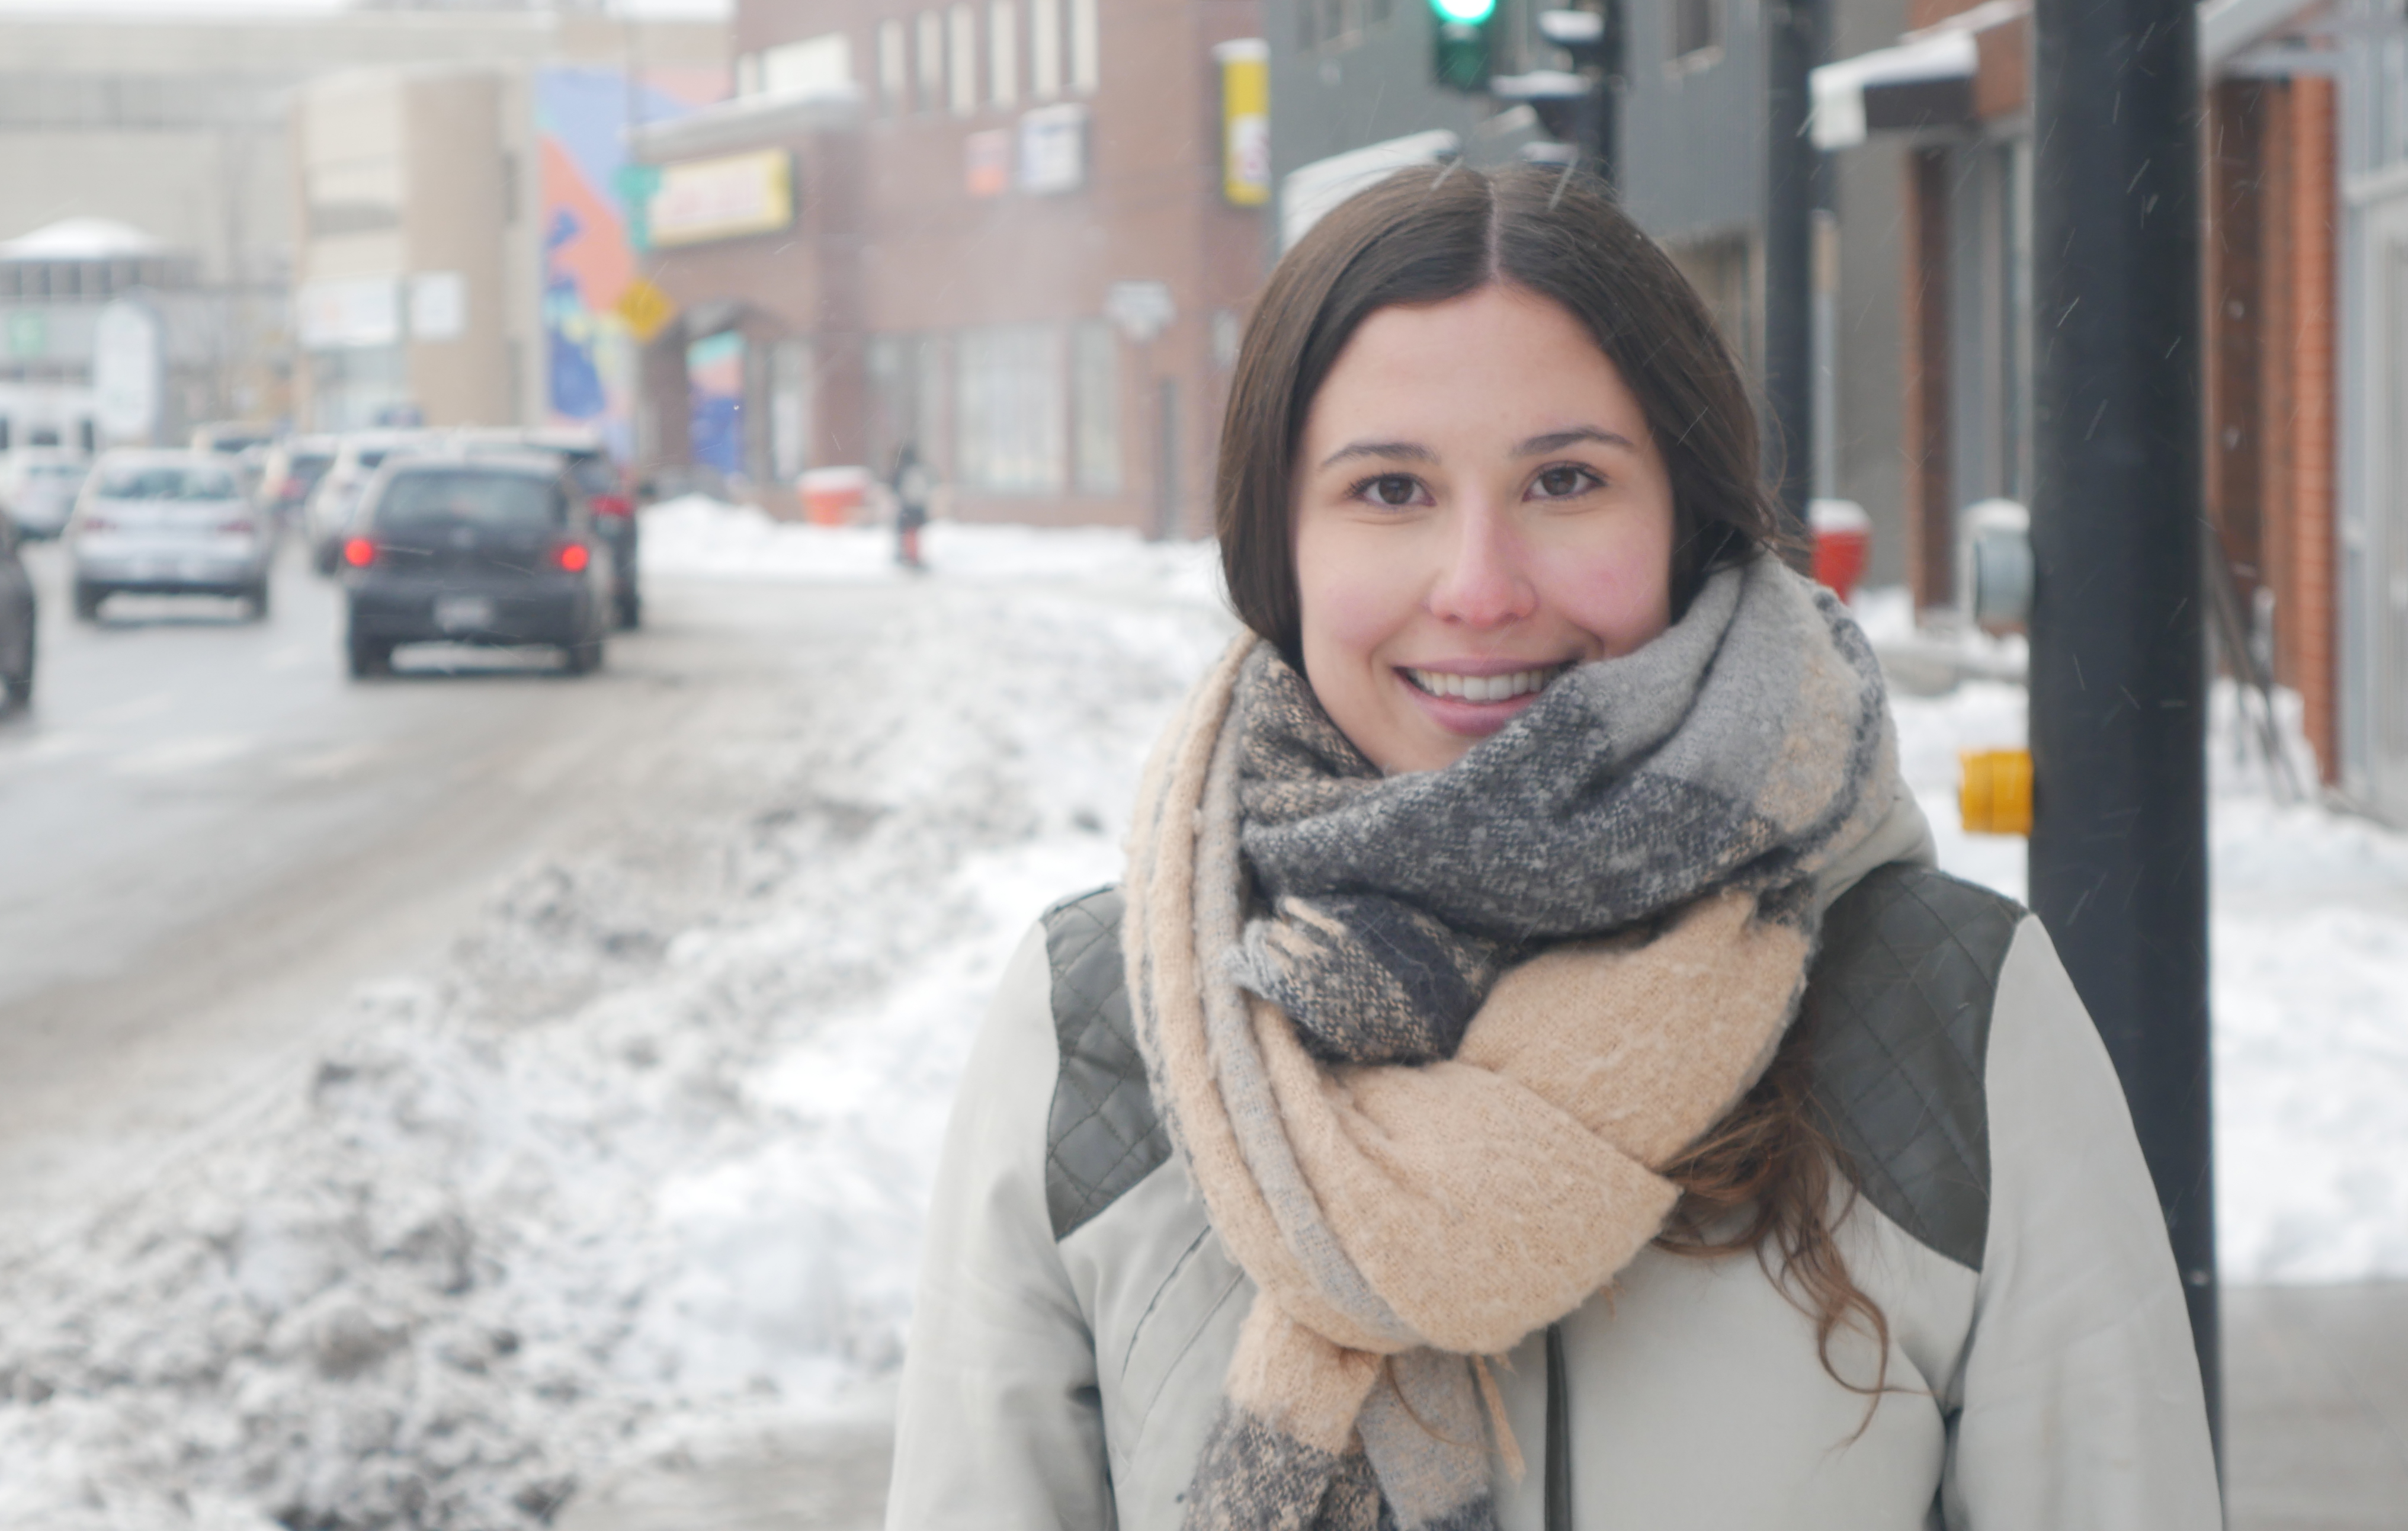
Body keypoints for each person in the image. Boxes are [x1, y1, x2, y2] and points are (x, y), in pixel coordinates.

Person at [887, 164, 2218, 1531]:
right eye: (1390, 488)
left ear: (1686, 520)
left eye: (1565, 479)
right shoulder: (1099, 1032)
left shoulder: (1945, 1015)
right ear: (1278, 541)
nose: (1479, 586)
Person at [890, 440, 934, 572]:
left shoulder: (904, 470)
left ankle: (909, 556)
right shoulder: (922, 470)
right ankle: (914, 556)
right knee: (915, 534)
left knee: (907, 533)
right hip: (920, 508)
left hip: (908, 508)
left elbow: (895, 486)